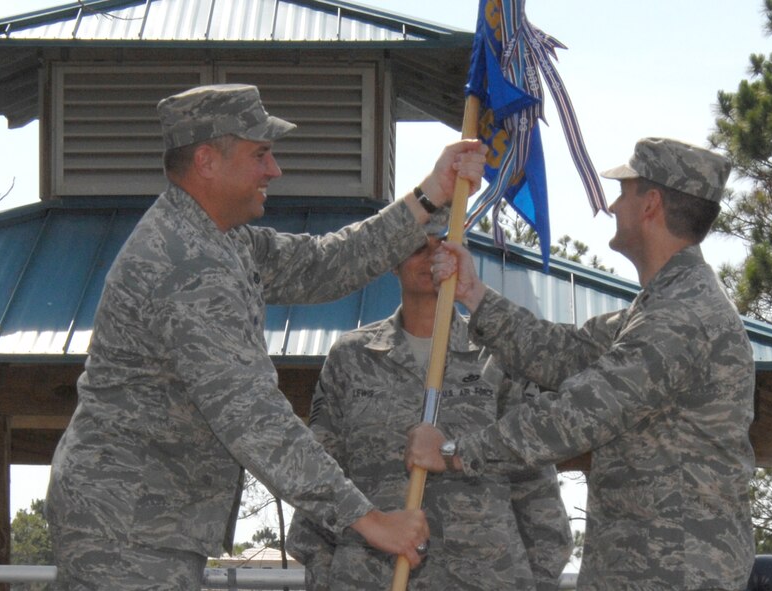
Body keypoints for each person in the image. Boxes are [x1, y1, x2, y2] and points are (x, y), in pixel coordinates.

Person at [45, 83, 487, 590]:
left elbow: (326, 264)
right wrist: (368, 520)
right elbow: (252, 414)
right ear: (207, 161)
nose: (274, 170)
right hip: (125, 528)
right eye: (260, 154)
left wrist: (431, 192)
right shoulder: (185, 263)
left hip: (143, 523)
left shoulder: (221, 238)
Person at [405, 137, 756, 590]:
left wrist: (453, 453)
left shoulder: (681, 316)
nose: (612, 205)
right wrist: (475, 295)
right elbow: (564, 353)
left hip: (675, 572)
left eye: (624, 193)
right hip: (645, 567)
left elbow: (578, 414)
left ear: (650, 204)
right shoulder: (658, 308)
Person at [285, 229, 573, 590]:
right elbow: (322, 474)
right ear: (393, 261)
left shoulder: (499, 357)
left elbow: (534, 478)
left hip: (486, 576)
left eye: (443, 247)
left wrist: (540, 578)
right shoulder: (351, 358)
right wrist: (325, 572)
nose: (431, 258)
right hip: (372, 575)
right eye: (418, 248)